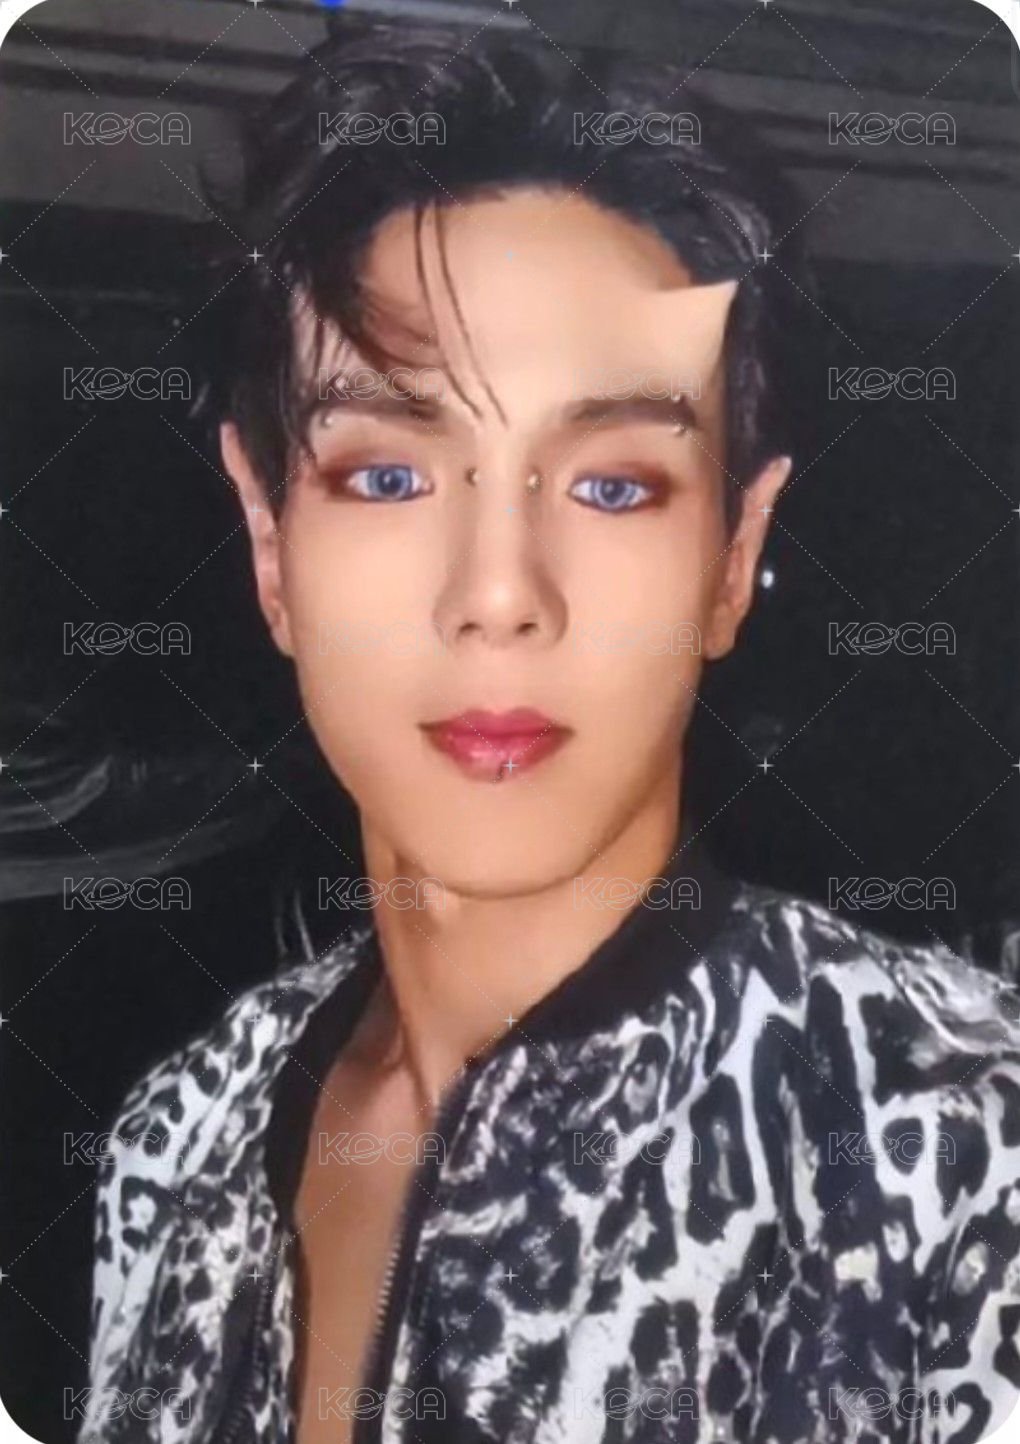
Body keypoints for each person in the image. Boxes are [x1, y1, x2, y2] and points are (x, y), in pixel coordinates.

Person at [79, 23, 1020, 1444]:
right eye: (388, 475)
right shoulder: (175, 1141)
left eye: (614, 486)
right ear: (270, 545)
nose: (501, 594)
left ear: (734, 556)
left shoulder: (957, 1154)